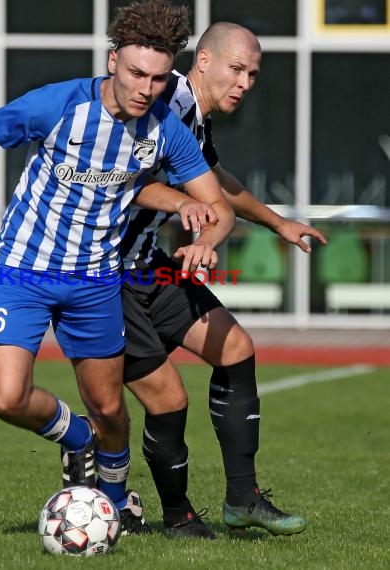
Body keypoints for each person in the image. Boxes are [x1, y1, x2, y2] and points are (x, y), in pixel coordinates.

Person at [0, 0, 235, 535]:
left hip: (94, 280)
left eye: (160, 79)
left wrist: (205, 235)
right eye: (137, 73)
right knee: (6, 397)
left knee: (111, 408)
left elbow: (219, 206)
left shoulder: (166, 129)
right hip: (23, 270)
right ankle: (76, 439)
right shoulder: (59, 106)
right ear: (113, 61)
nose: (146, 88)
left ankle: (111, 508)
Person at [117, 21, 329, 538]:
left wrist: (277, 223)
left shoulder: (192, 116)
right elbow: (124, 179)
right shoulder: (168, 104)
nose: (246, 82)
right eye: (237, 68)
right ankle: (174, 515)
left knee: (235, 347)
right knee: (164, 398)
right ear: (204, 62)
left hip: (149, 264)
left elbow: (219, 187)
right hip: (104, 273)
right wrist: (198, 222)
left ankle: (243, 500)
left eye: (253, 74)